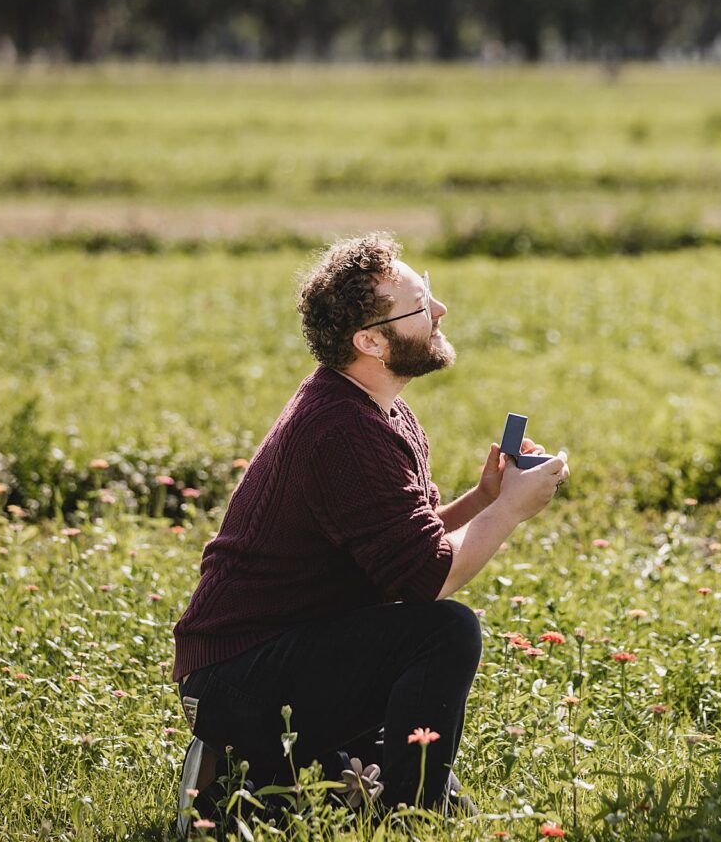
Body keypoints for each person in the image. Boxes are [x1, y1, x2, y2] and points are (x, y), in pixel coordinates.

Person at [170, 233, 569, 835]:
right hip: (236, 673)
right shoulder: (343, 431)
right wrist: (508, 511)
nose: (439, 311)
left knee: (407, 731)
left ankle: (254, 774)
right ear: (371, 342)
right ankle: (406, 818)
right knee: (445, 632)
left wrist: (484, 498)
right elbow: (428, 578)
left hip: (284, 647)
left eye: (429, 290)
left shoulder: (378, 409)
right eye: (420, 303)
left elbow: (408, 543)